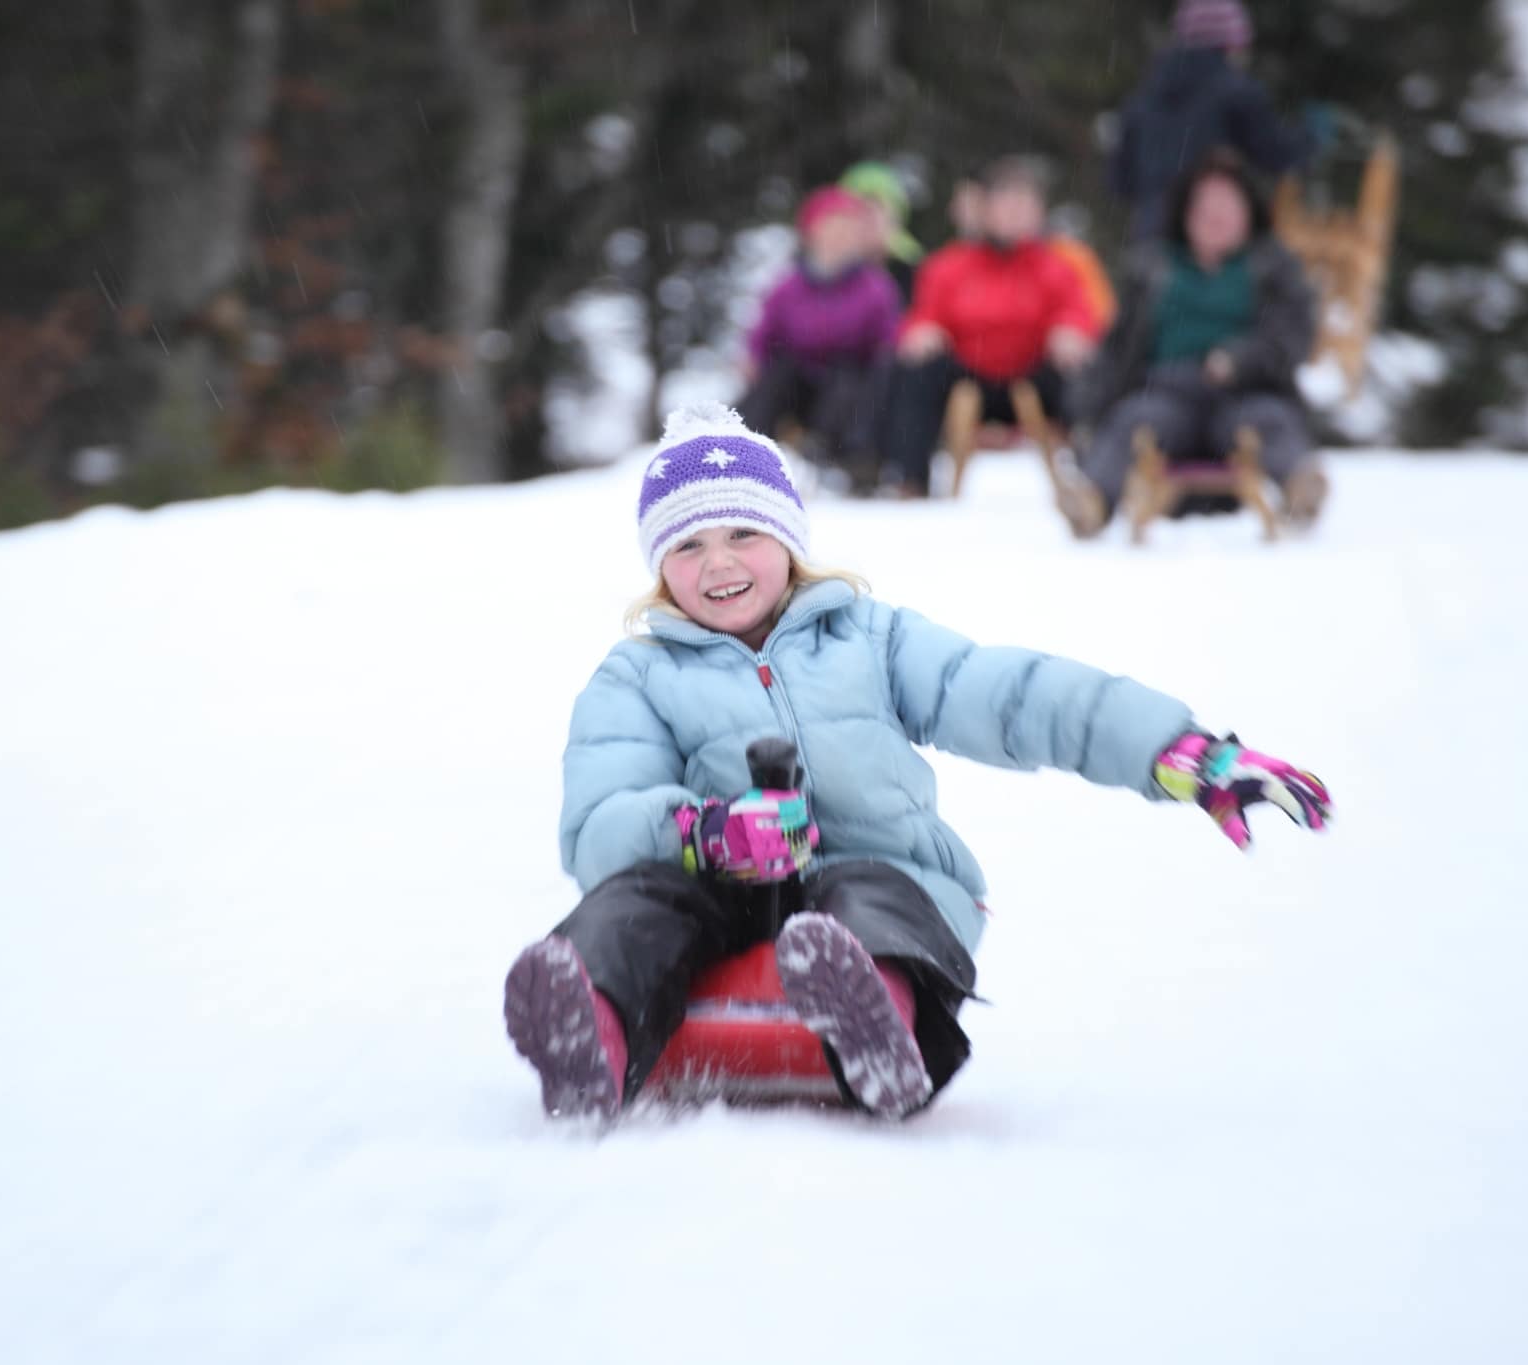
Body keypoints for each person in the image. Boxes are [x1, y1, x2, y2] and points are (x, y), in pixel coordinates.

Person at [502, 404, 1333, 1120]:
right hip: (720, 891)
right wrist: (702, 831)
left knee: (867, 896)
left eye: (743, 533)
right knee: (639, 899)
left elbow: (1012, 694)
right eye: (688, 547)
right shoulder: (638, 675)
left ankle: (874, 1015)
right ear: (659, 566)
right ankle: (590, 1025)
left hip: (879, 878)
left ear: (789, 538)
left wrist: (1172, 750)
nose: (718, 563)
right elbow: (597, 827)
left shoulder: (871, 638)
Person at [1059, 150, 1328, 537]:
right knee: (1132, 424)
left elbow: (1290, 338)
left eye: (1226, 205)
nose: (1214, 217)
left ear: (1248, 211)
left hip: (1245, 390)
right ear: (1185, 213)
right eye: (1205, 206)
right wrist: (1085, 406)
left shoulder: (1273, 267)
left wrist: (1240, 359)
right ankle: (1092, 503)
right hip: (1165, 390)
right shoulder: (1152, 266)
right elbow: (1117, 348)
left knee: (1269, 423)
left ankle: (1301, 487)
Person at [878, 158, 1103, 495]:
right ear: (986, 209)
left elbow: (1078, 312)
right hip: (969, 374)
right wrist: (923, 331)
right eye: (1007, 202)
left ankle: (1093, 484)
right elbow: (925, 313)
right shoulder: (947, 265)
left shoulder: (1058, 267)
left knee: (1087, 375)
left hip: (1035, 373)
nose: (1015, 213)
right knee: (915, 370)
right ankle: (910, 479)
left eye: (1024, 204)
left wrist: (1071, 331)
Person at [1110, 0, 1324, 241]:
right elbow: (1274, 154)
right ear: (1230, 45)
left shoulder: (1143, 98)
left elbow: (1121, 182)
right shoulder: (1237, 94)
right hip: (1213, 240)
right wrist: (1311, 138)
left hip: (1151, 240)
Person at [736, 186, 900, 487]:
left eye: (847, 230)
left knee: (854, 379)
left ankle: (852, 460)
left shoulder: (876, 287)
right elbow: (763, 335)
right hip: (798, 381)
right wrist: (753, 359)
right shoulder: (788, 286)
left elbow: (887, 341)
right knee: (773, 378)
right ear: (812, 234)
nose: (839, 238)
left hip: (850, 385)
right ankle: (742, 455)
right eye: (832, 228)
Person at [838, 160, 924, 301]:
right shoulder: (823, 271)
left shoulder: (914, 270)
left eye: (878, 209)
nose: (868, 220)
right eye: (860, 210)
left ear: (897, 220)